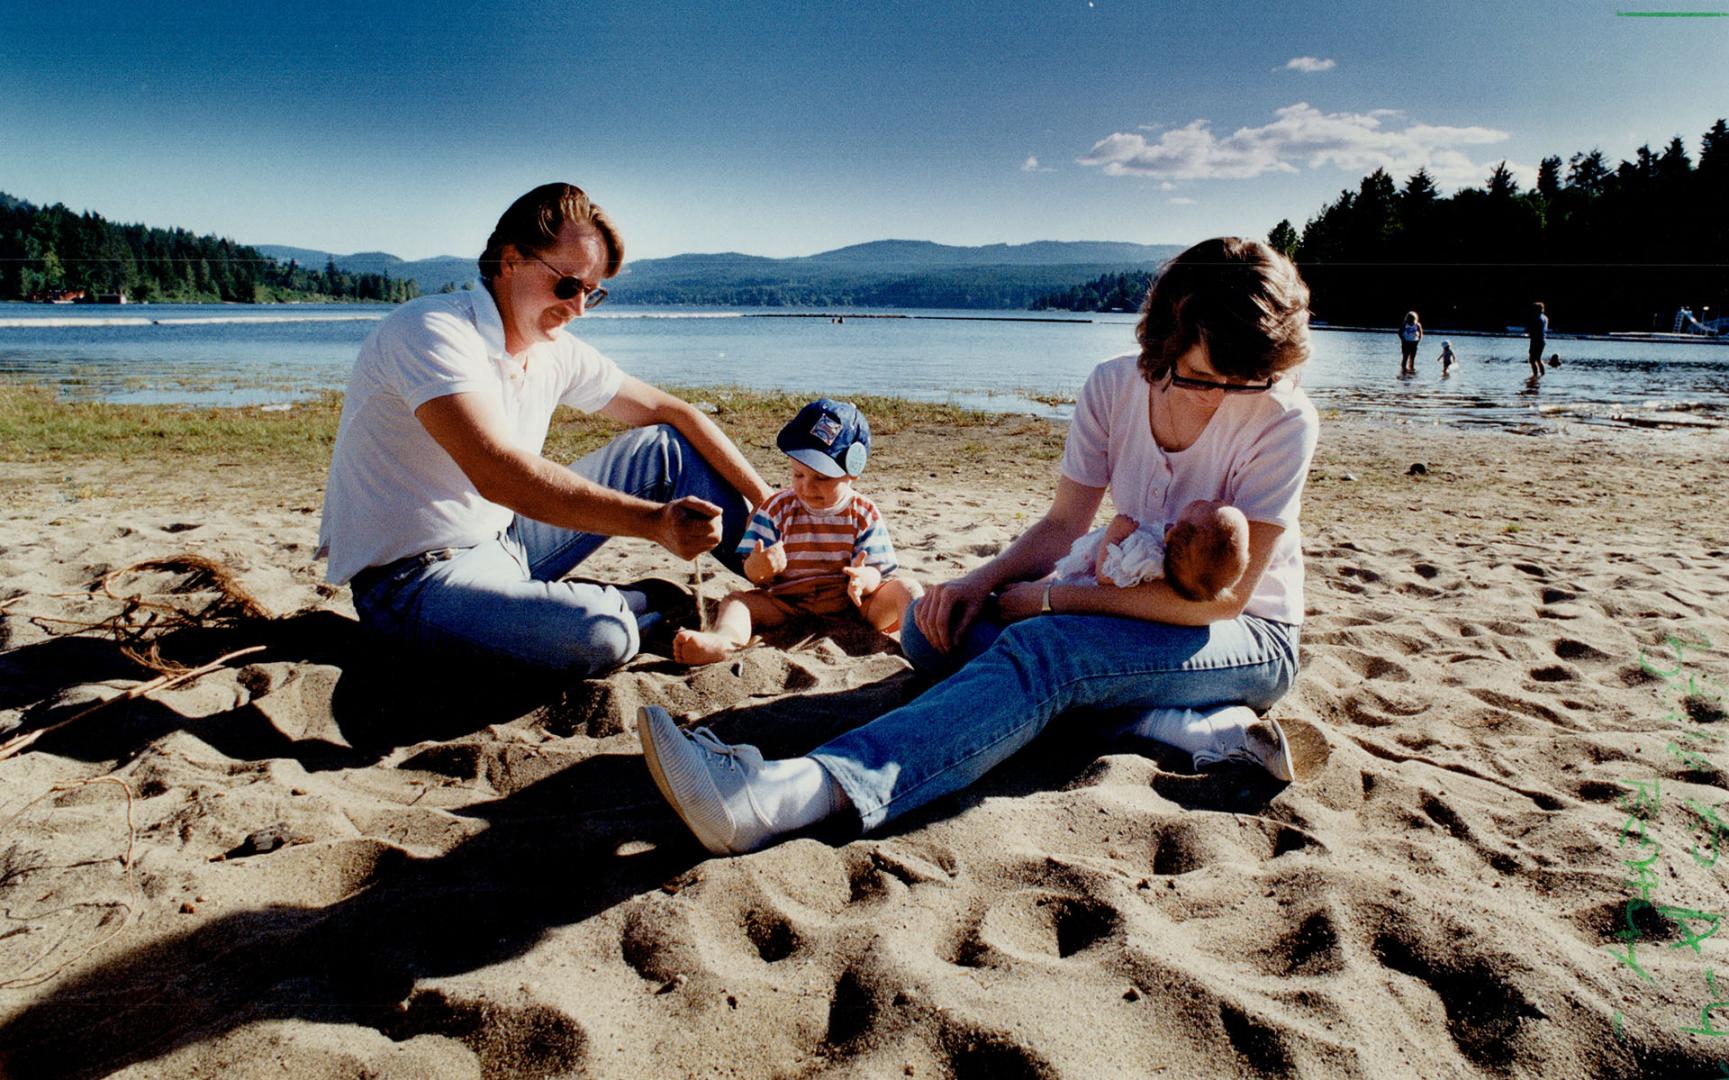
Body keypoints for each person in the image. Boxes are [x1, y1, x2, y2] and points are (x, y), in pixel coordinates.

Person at [637, 237, 1317, 856]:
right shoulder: (1114, 386)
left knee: (1047, 651)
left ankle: (791, 794)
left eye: (1246, 380)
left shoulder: (1282, 416)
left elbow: (1223, 601)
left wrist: (1050, 600)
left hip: (1243, 636)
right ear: (1166, 339)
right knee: (931, 632)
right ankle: (1178, 726)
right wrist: (972, 586)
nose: (1223, 397)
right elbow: (1061, 525)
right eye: (1202, 378)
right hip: (1119, 610)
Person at [317, 182, 774, 677]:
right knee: (601, 634)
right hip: (412, 582)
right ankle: (639, 604)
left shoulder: (550, 349)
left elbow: (674, 412)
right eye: (567, 285)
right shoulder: (432, 330)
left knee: (665, 449)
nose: (578, 307)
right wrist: (654, 523)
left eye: (592, 293)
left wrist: (771, 504)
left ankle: (786, 587)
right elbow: (499, 473)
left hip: (506, 541)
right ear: (511, 260)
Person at [672, 399, 921, 666]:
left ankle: (919, 641)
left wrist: (864, 579)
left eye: (822, 478)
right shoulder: (777, 509)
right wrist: (760, 566)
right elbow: (754, 575)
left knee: (906, 588)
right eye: (798, 474)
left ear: (853, 473)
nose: (807, 487)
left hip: (853, 607)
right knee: (737, 603)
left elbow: (878, 572)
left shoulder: (863, 512)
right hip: (787, 605)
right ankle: (724, 641)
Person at [1051, 500, 1249, 599]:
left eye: (1208, 506)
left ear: (1175, 534)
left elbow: (1104, 575)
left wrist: (1115, 534)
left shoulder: (1146, 557)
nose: (1217, 499)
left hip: (1083, 584)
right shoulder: (1162, 550)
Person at [1526, 302, 1548, 380]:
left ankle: (1535, 375)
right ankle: (1540, 375)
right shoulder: (1544, 317)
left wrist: (1529, 331)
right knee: (1537, 359)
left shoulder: (1537, 318)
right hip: (1541, 340)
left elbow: (1533, 329)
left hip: (1537, 340)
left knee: (1532, 360)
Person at [1398, 311, 1423, 375]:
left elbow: (1420, 333)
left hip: (1414, 343)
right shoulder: (1404, 324)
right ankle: (1403, 371)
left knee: (1412, 358)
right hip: (1406, 343)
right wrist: (1403, 340)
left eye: (1412, 318)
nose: (1411, 320)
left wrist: (1418, 341)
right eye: (1409, 318)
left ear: (1415, 318)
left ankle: (1411, 369)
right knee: (1405, 357)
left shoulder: (1417, 325)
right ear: (1407, 318)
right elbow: (1400, 333)